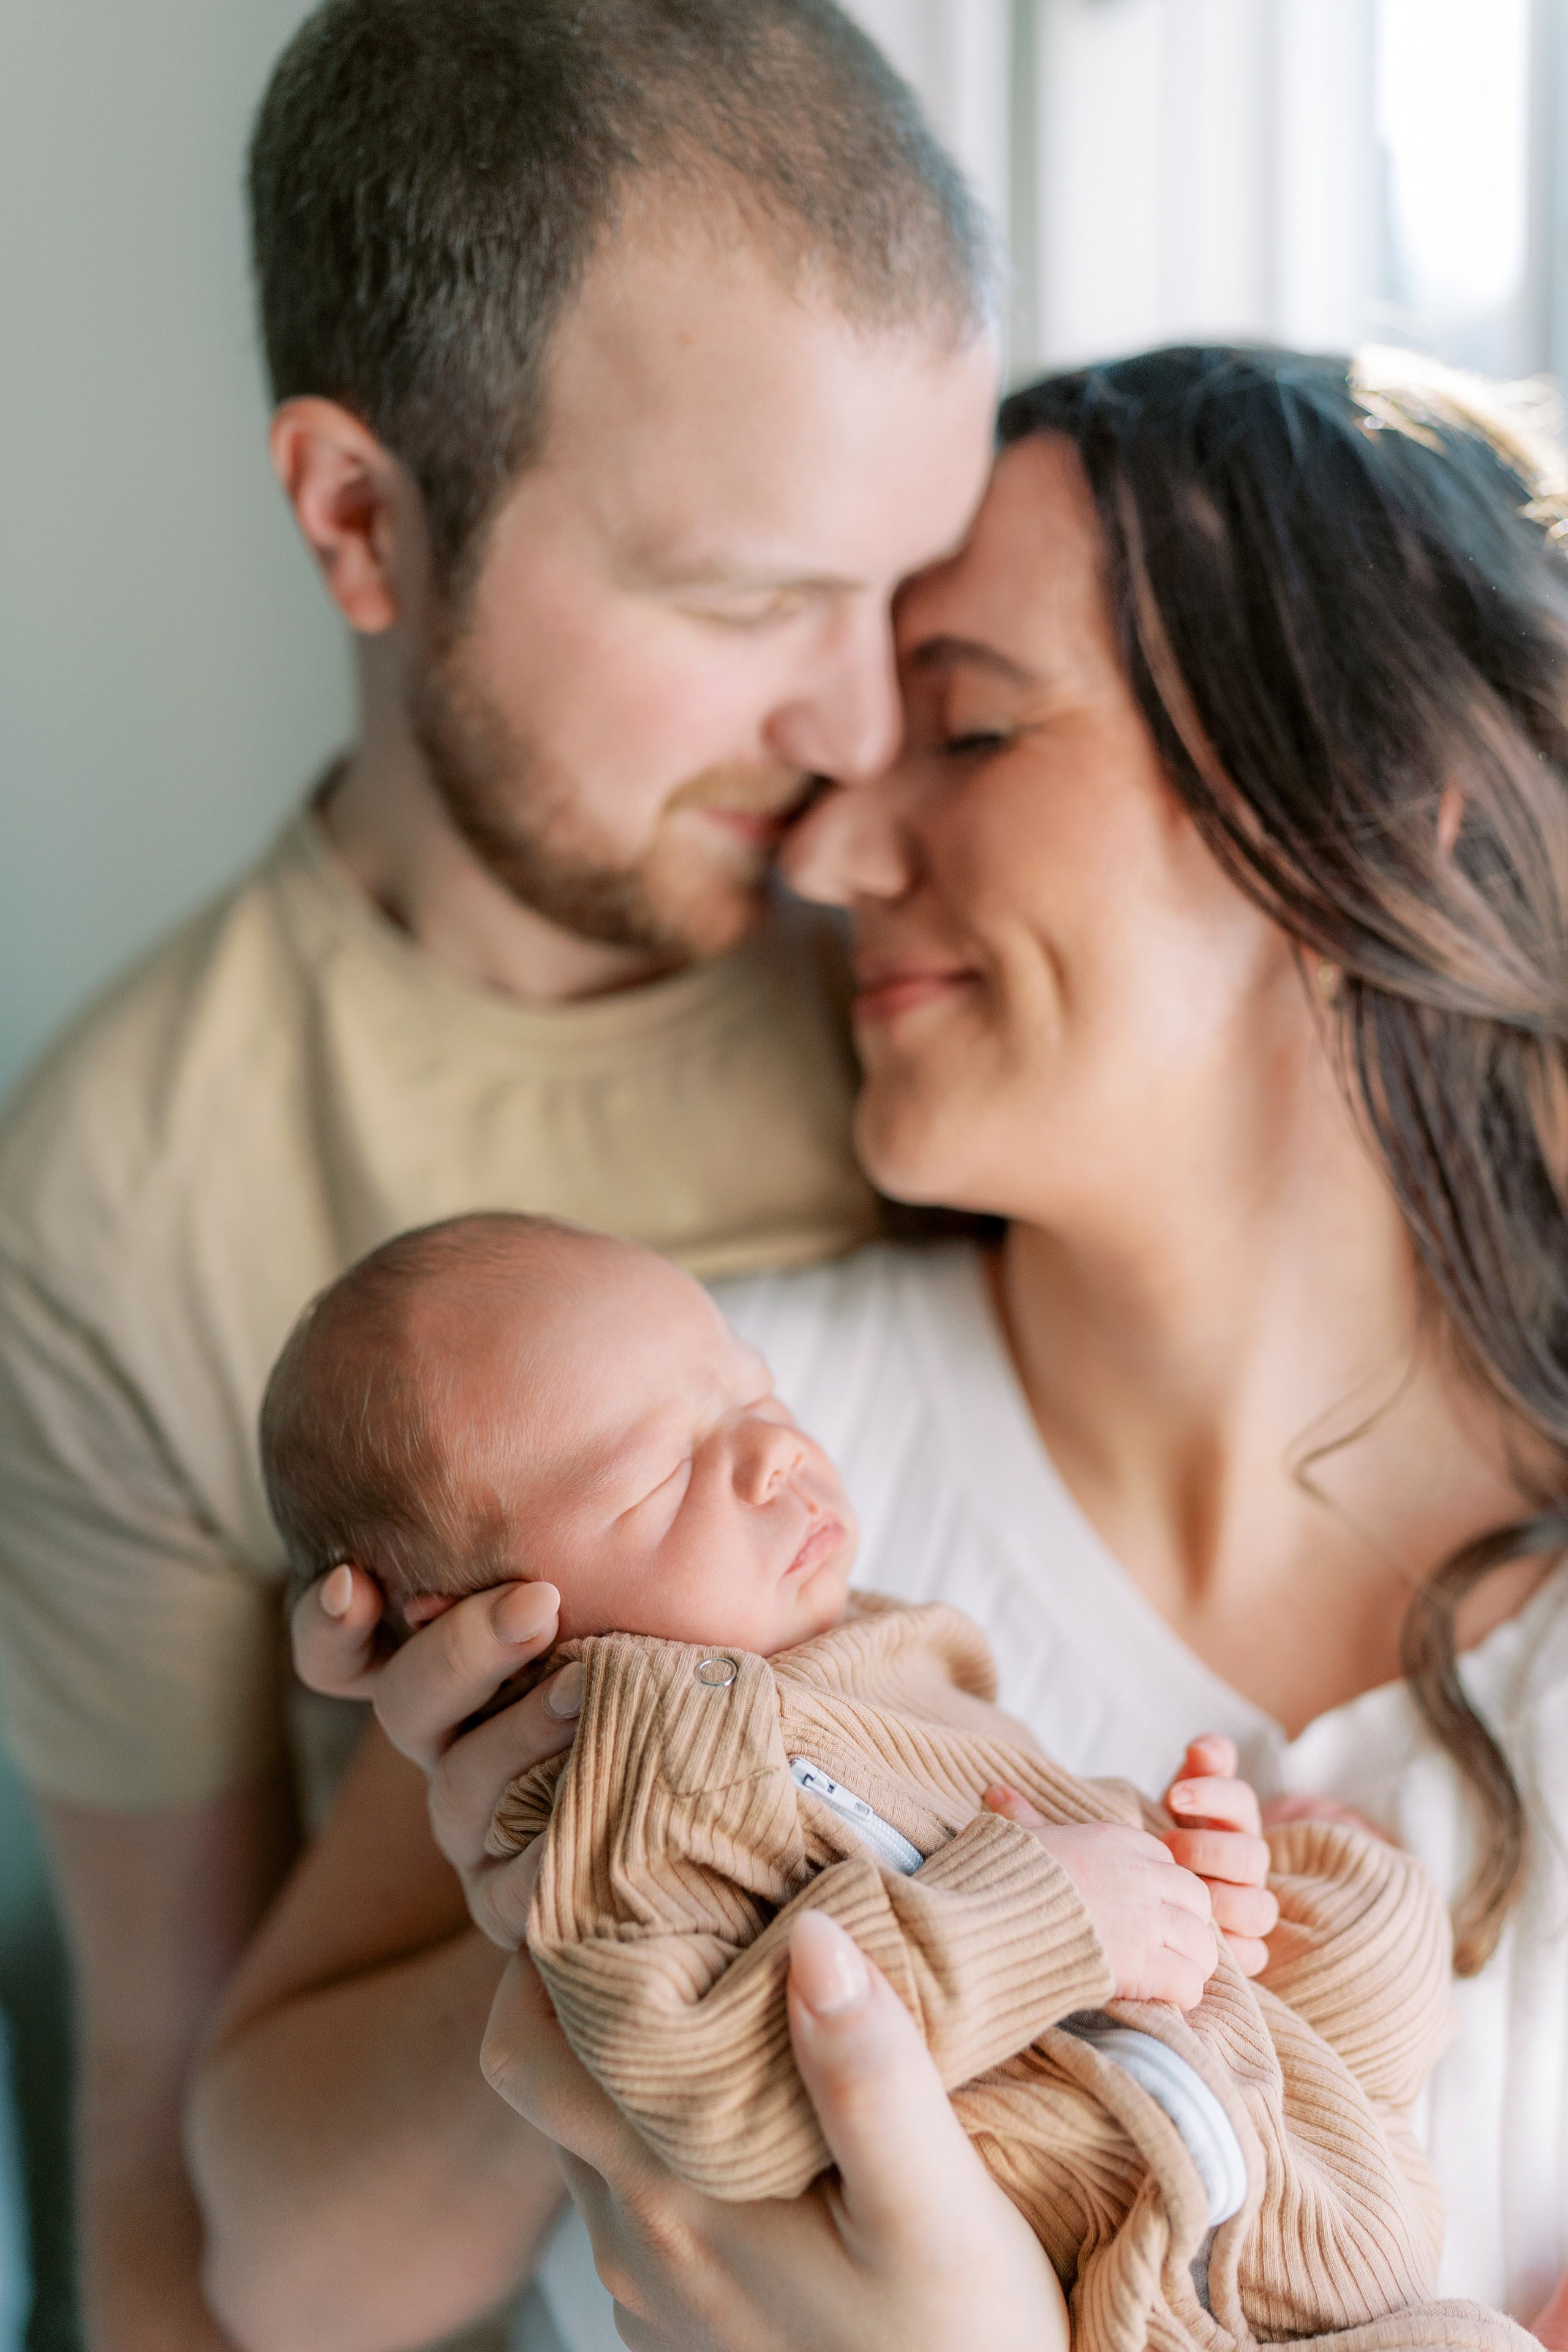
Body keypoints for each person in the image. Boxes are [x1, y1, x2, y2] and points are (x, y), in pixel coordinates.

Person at [207, 344, 1568, 2352]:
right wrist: (563, 1911)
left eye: (975, 733)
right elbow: (281, 2277)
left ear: (1380, 799)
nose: (831, 856)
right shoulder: (676, 1438)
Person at [0, 3, 1001, 2345]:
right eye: (747, 600)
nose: (858, 735)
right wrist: (540, 1854)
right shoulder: (123, 1207)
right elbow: (167, 2167)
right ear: (364, 516)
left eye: (905, 591)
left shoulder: (974, 972)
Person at [252, 1209, 1533, 2352]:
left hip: (1267, 2173)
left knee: (1372, 1918)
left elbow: (1028, 1875)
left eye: (757, 1399)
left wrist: (1211, 1889)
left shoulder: (868, 1652)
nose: (774, 1455)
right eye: (656, 1475)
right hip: (1160, 2290)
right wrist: (1050, 1913)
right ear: (477, 1621)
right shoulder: (635, 1771)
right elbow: (718, 2083)